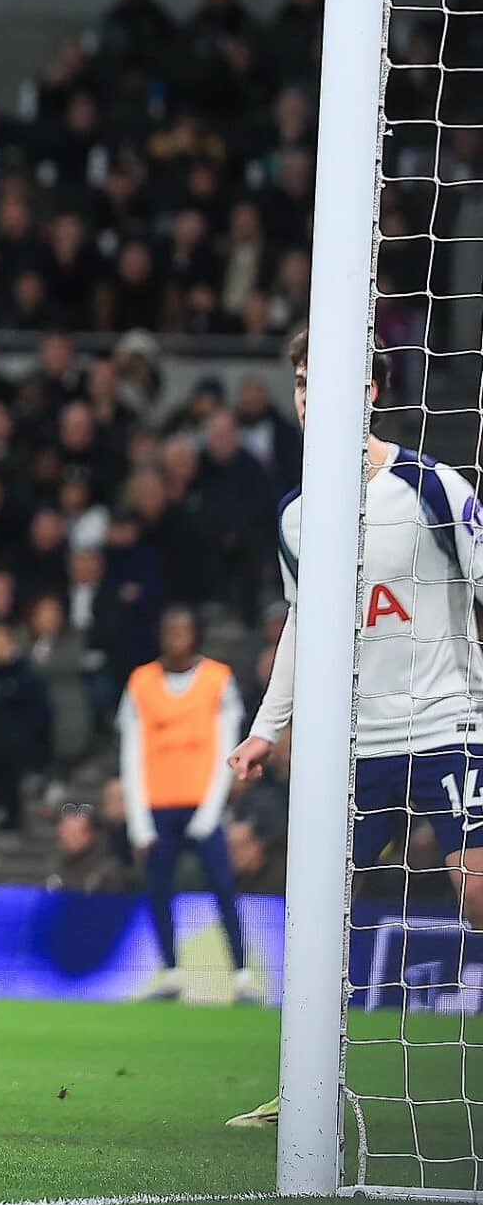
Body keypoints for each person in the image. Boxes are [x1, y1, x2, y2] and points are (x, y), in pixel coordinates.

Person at [224, 330, 481, 1127]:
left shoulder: (435, 487)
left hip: (447, 722)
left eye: (324, 382)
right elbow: (303, 621)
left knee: (475, 889)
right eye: (301, 382)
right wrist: (269, 726)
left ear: (370, 393)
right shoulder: (298, 514)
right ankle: (302, 1086)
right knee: (318, 908)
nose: (307, 396)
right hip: (355, 743)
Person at [120, 608, 254, 1004]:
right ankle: (171, 972)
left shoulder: (218, 678)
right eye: (169, 630)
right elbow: (131, 752)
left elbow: (226, 743)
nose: (175, 637)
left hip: (202, 804)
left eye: (183, 629)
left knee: (223, 887)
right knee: (158, 889)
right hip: (158, 805)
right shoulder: (141, 681)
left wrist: (211, 810)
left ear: (195, 634)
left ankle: (243, 975)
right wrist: (138, 821)